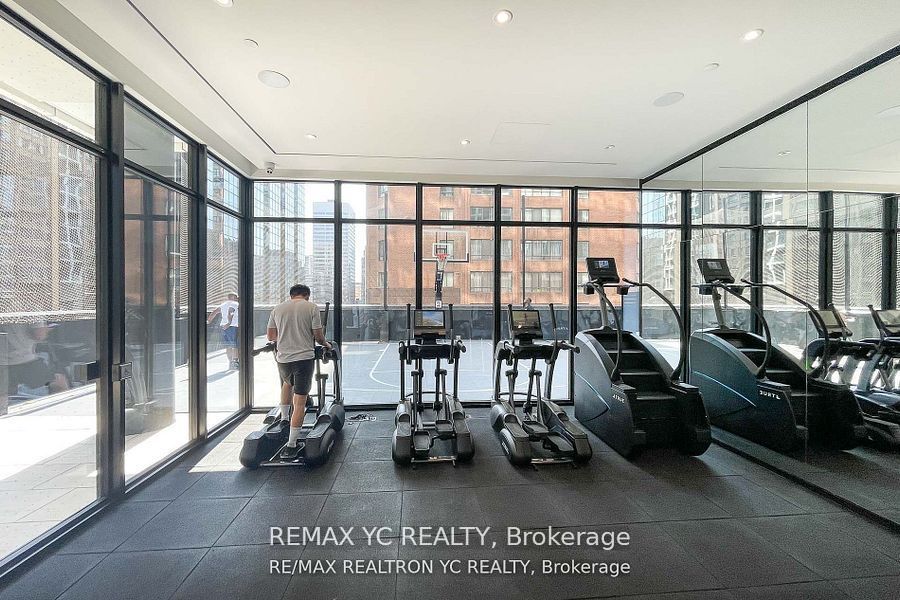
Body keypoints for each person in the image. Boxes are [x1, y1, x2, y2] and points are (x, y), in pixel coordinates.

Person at [267, 284, 330, 460]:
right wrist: (326, 344)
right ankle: (292, 444)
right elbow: (318, 335)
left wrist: (286, 339)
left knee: (287, 384)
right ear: (307, 295)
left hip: (283, 358)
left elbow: (271, 336)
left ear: (291, 295)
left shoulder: (278, 308)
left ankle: (284, 419)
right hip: (303, 358)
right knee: (300, 400)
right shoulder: (311, 307)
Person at [208, 293, 240, 370]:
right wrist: (229, 323)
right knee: (234, 345)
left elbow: (214, 312)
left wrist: (208, 321)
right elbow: (231, 311)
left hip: (223, 327)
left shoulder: (223, 304)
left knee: (228, 346)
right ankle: (235, 363)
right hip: (232, 326)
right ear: (234, 297)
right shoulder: (235, 303)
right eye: (236, 297)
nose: (237, 299)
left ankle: (230, 363)